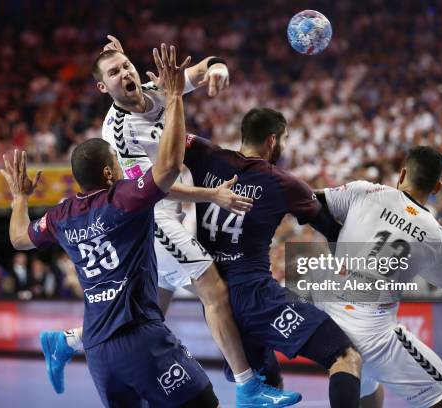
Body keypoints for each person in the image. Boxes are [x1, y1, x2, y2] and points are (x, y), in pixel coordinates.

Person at [41, 37, 301, 407]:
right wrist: (214, 195)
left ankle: (67, 341)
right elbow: (156, 187)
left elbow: (203, 65)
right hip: (154, 217)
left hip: (179, 212)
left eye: (126, 65)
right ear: (103, 87)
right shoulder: (119, 133)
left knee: (151, 313)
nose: (124, 73)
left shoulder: (156, 89)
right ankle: (247, 387)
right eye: (113, 73)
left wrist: (217, 70)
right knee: (214, 289)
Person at [1, 45, 219, 407]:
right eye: (117, 164)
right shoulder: (125, 200)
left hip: (99, 353)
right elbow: (165, 170)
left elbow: (19, 238)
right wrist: (176, 95)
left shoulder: (62, 215)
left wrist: (20, 198)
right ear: (109, 172)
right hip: (141, 339)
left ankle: (69, 341)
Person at [315, 148, 442, 408]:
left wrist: (333, 234)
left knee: (367, 385)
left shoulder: (364, 191)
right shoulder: (437, 237)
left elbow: (310, 202)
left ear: (402, 174)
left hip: (329, 317)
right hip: (375, 335)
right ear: (437, 187)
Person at [183, 108, 363, 408]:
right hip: (256, 298)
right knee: (344, 356)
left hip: (215, 302)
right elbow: (332, 230)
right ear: (272, 140)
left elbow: (163, 139)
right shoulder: (283, 183)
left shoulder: (207, 155)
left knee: (264, 389)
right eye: (284, 140)